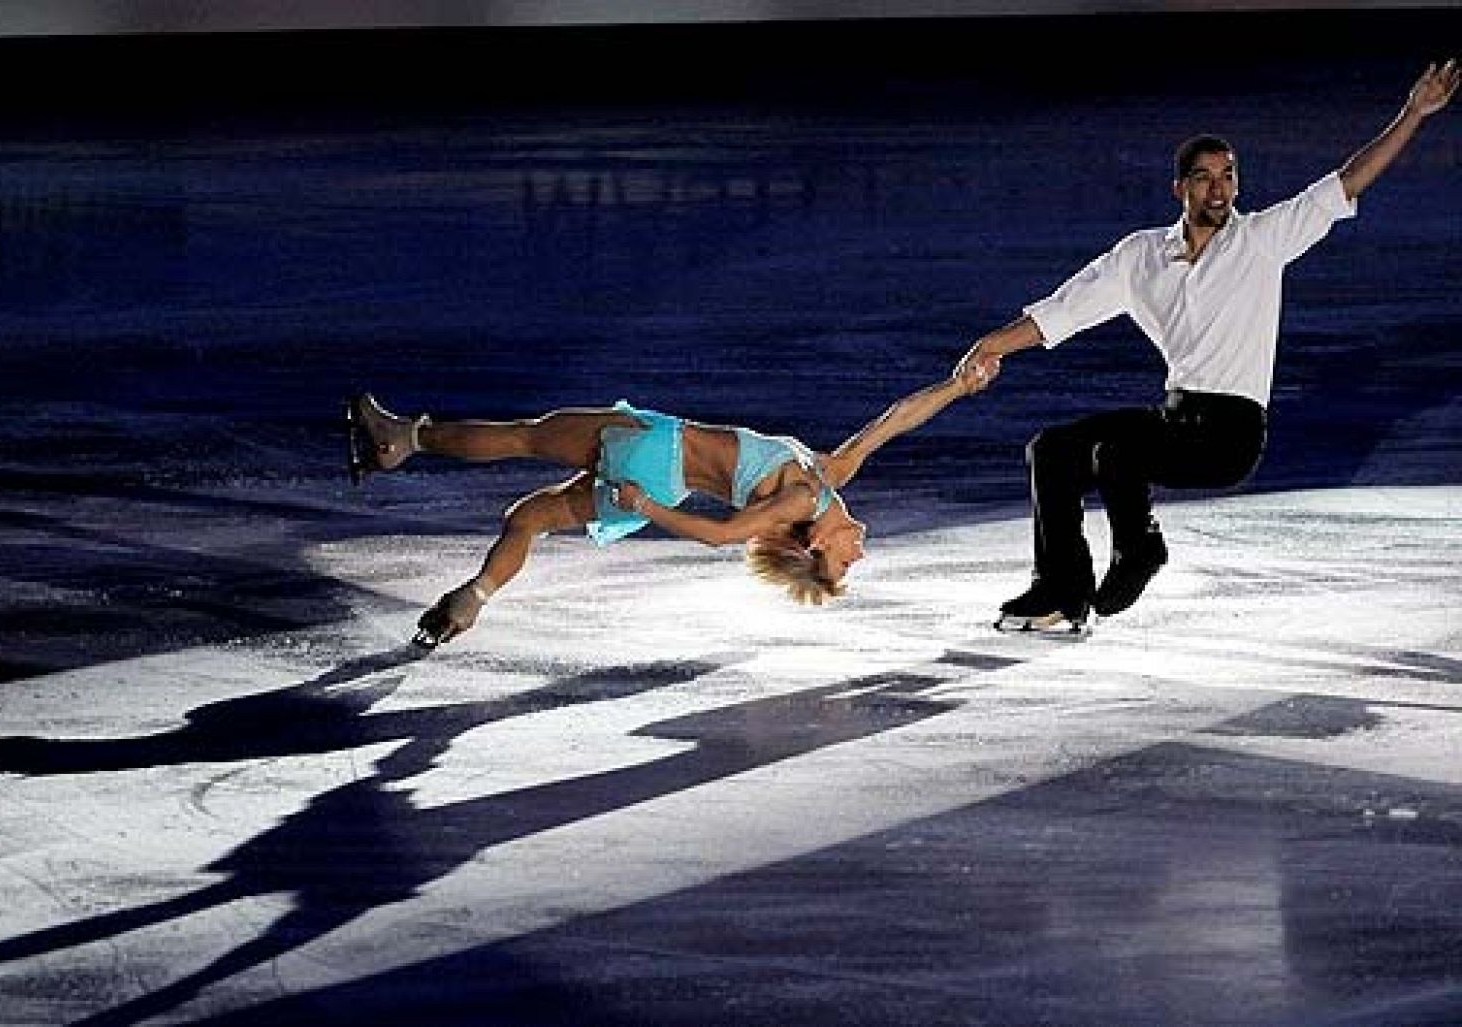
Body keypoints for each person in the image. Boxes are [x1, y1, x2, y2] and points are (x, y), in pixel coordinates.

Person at [954, 59, 1459, 634]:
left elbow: (1347, 182)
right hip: (1175, 417)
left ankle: (1140, 550)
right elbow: (1060, 312)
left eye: (1227, 176)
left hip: (1231, 433)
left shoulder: (1262, 242)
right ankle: (1061, 591)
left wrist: (1413, 113)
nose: (1218, 189)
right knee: (1051, 449)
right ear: (1180, 187)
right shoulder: (1140, 256)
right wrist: (991, 344)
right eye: (1204, 177)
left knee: (1117, 453)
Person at [345, 360, 995, 647]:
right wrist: (957, 386)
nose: (863, 551)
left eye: (848, 564)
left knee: (525, 434)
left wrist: (645, 505)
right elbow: (896, 419)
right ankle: (474, 598)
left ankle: (402, 439)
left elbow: (720, 537)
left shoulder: (801, 496)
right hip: (661, 484)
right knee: (531, 517)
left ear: (818, 546)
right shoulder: (830, 476)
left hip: (657, 451)